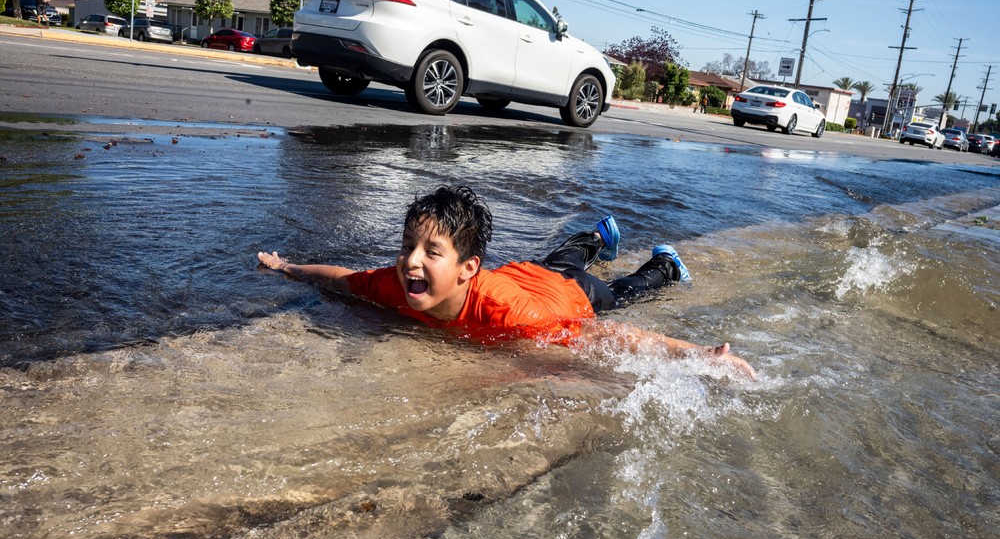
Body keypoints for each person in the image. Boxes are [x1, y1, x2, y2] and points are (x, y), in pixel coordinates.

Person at [257, 186, 755, 379]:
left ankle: (663, 265)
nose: (411, 262)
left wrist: (695, 354)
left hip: (568, 296)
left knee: (619, 293)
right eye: (408, 246)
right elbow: (344, 280)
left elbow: (606, 337)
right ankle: (596, 235)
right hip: (531, 273)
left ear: (466, 268)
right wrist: (289, 269)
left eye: (432, 252)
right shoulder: (397, 284)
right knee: (560, 259)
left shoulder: (514, 318)